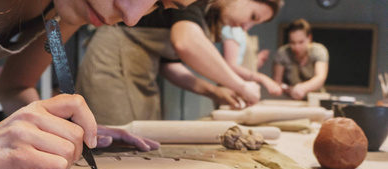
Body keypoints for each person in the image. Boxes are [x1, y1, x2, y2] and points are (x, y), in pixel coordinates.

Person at [0, 0, 198, 169]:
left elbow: (15, 86)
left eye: (161, 5)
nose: (132, 16)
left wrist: (55, 127)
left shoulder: (72, 11)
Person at [76, 0, 284, 126]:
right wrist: (241, 85)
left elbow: (170, 67)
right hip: (112, 65)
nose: (246, 27)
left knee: (141, 146)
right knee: (118, 151)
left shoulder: (199, 16)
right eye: (253, 16)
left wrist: (214, 91)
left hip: (139, 76)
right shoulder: (195, 3)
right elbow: (186, 43)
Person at [272, 18, 329, 100]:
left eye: (301, 42)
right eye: (293, 42)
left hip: (316, 99)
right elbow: (277, 84)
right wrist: (290, 90)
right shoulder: (282, 54)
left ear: (309, 38)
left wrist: (303, 88)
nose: (296, 47)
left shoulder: (319, 51)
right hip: (293, 101)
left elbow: (320, 77)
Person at [221, 25, 283, 96]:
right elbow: (232, 66)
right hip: (233, 89)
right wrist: (263, 78)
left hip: (245, 89)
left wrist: (255, 61)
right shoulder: (233, 30)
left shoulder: (241, 32)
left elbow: (241, 61)